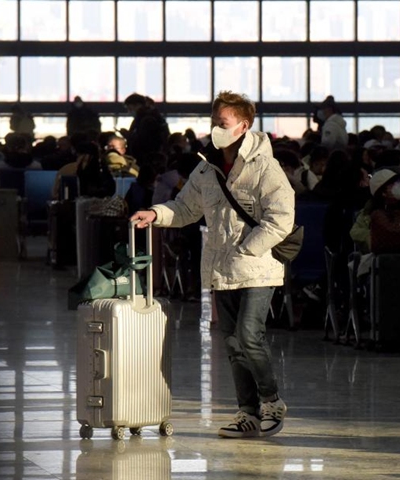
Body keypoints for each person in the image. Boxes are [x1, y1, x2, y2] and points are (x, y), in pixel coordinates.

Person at [130, 91, 294, 438]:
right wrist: (156, 214)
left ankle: (271, 401)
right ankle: (246, 412)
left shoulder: (265, 167)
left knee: (250, 336)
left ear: (243, 126)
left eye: (223, 123)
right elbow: (186, 208)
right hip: (222, 268)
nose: (216, 128)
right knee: (233, 344)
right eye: (214, 122)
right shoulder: (206, 168)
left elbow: (281, 218)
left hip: (258, 267)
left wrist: (248, 249)